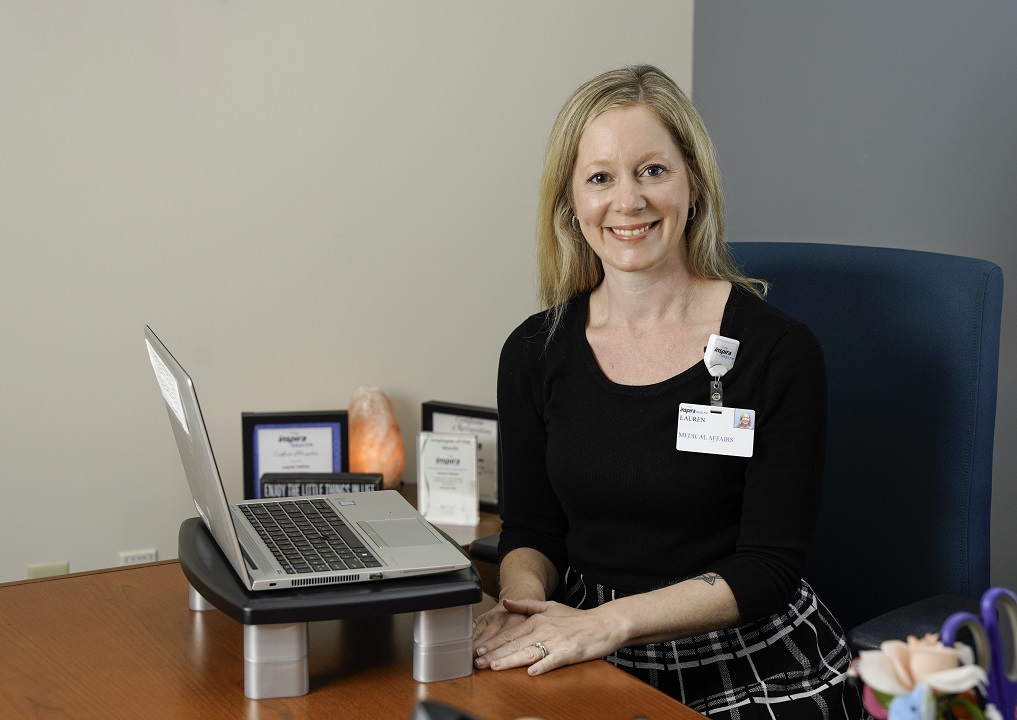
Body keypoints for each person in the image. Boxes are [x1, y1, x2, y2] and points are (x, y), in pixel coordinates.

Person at [471, 65, 862, 720]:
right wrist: (521, 606)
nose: (627, 202)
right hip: (580, 642)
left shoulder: (776, 351)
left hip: (742, 650)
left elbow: (768, 567)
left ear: (693, 184)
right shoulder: (533, 351)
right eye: (600, 177)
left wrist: (605, 625)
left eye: (652, 170)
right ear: (569, 201)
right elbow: (533, 528)